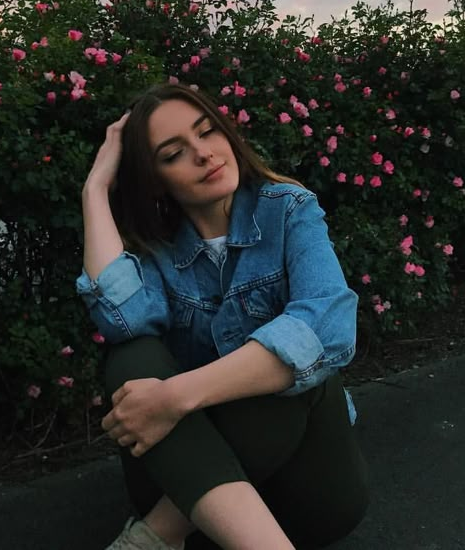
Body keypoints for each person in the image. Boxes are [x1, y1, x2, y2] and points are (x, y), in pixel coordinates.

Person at [75, 83, 369, 550]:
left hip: (307, 496)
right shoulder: (160, 250)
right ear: (155, 179)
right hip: (200, 488)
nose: (204, 154)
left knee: (301, 364)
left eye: (208, 132)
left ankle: (155, 536)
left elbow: (327, 328)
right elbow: (121, 317)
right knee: (131, 353)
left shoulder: (288, 209)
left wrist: (175, 397)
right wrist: (95, 188)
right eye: (174, 153)